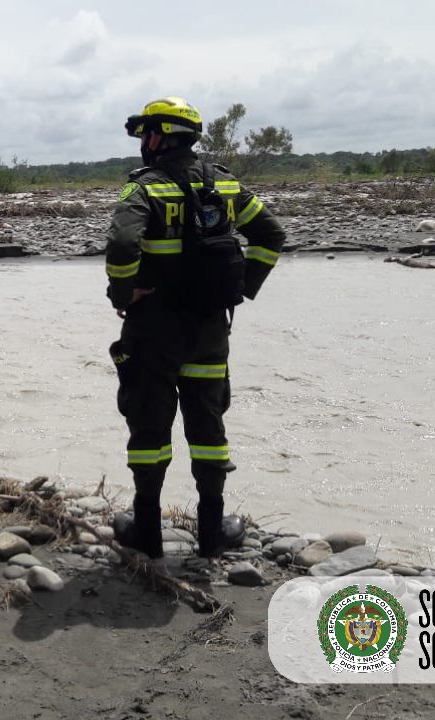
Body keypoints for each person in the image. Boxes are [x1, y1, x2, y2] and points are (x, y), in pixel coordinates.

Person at [104, 97, 286, 562]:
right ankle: (211, 531)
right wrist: (243, 287)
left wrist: (123, 296)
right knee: (208, 426)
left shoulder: (142, 190)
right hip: (209, 329)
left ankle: (146, 530)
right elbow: (271, 234)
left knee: (149, 426)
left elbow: (124, 244)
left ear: (160, 136)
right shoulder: (224, 183)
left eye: (147, 133)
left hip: (154, 330)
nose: (144, 142)